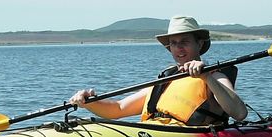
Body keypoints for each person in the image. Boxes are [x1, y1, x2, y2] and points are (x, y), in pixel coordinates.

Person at [68, 16, 248, 125]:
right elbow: (118, 109)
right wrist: (89, 103)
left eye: (184, 41)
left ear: (199, 44)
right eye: (173, 44)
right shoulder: (166, 79)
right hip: (156, 132)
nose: (178, 48)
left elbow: (239, 113)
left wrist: (206, 77)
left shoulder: (216, 76)